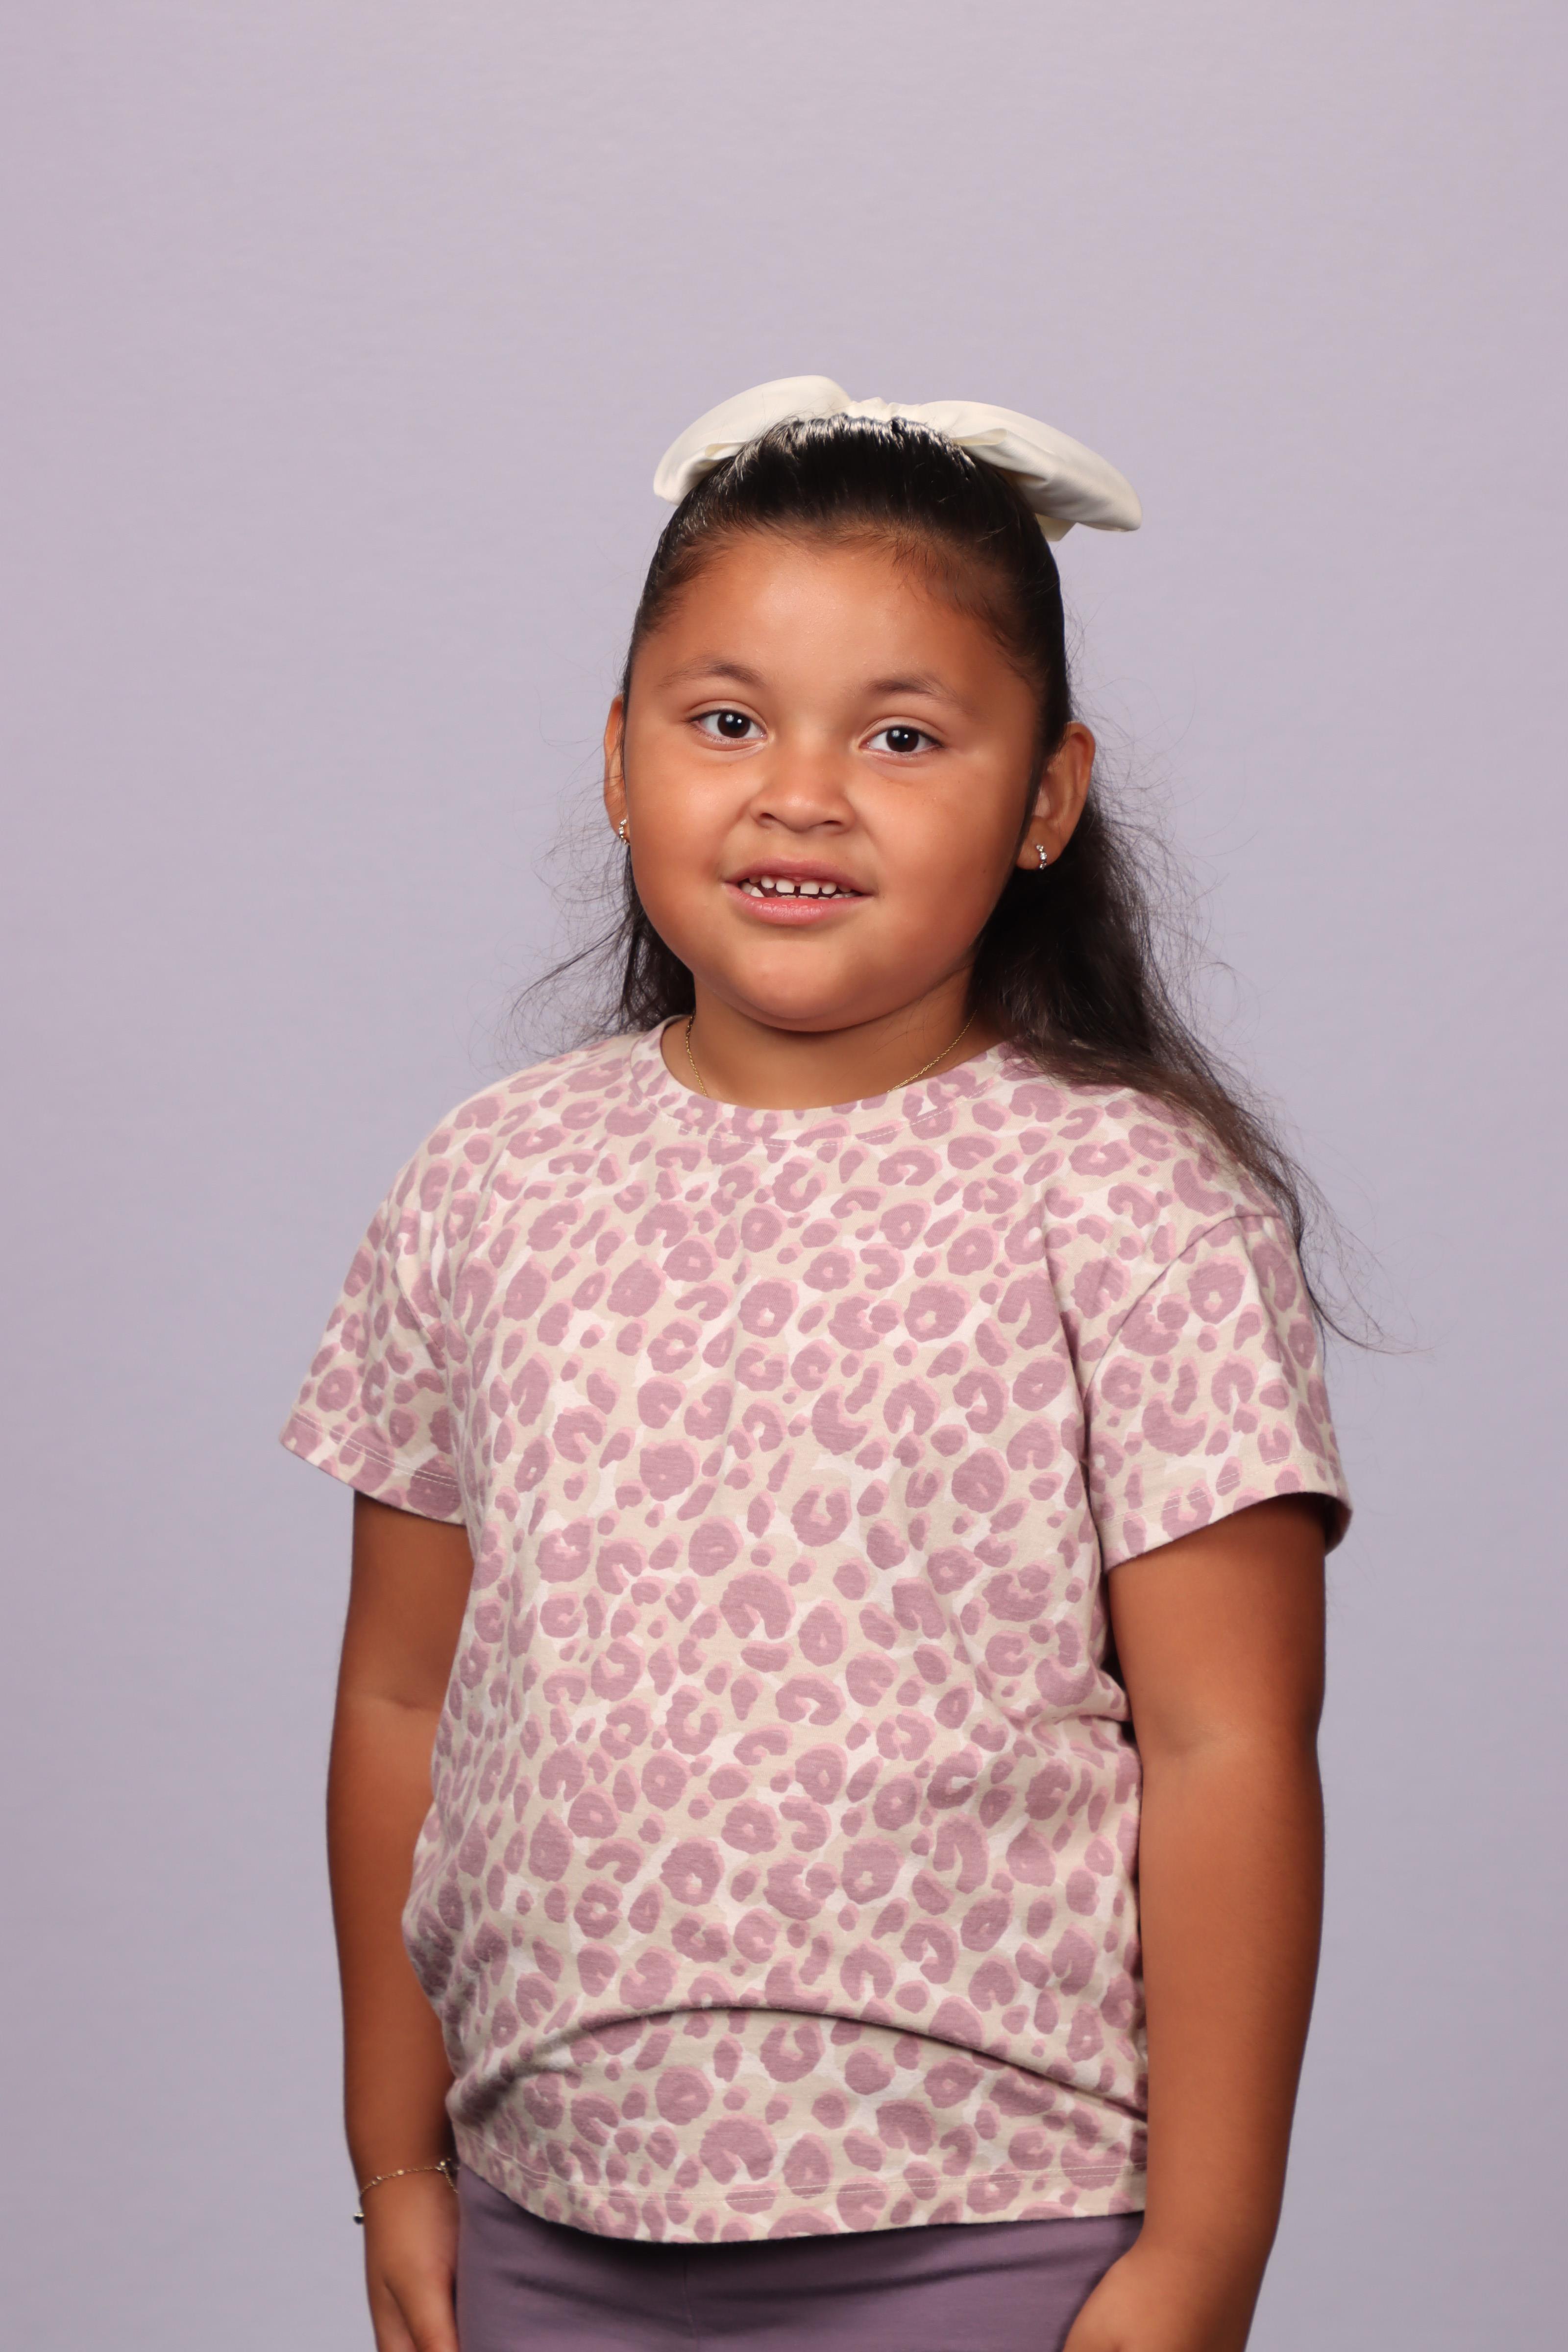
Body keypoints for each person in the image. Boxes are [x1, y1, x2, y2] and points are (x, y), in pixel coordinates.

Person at [282, 377, 1351, 2352]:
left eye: (902, 736)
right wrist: (400, 2161)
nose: (799, 792)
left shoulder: (1129, 1202)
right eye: (725, 721)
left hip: (998, 2232)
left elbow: (1227, 1747)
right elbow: (400, 1693)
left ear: (1046, 797)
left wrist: (1199, 2260)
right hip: (547, 2216)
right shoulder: (490, 1182)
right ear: (618, 759)